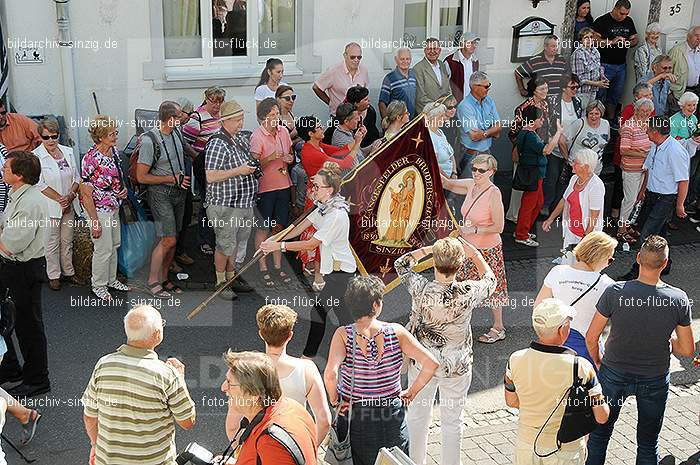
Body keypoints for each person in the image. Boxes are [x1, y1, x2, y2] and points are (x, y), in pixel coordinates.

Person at [585, 235, 695, 465]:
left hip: (613, 372)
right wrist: (668, 338)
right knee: (647, 442)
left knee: (599, 436)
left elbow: (591, 337)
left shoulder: (615, 291)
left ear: (638, 259)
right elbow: (687, 349)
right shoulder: (678, 299)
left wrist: (598, 362)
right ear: (665, 264)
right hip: (654, 377)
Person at [395, 237, 494, 465]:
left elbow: (401, 264)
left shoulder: (420, 287)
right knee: (453, 421)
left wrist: (431, 250)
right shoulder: (468, 291)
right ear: (460, 265)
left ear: (434, 263)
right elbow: (491, 280)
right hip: (457, 364)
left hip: (423, 363)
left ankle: (414, 462)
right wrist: (476, 255)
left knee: (417, 419)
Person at [323, 275, 438, 465]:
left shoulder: (343, 335)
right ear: (376, 305)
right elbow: (431, 363)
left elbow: (330, 374)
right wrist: (411, 391)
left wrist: (335, 399)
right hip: (391, 411)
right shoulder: (396, 331)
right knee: (394, 460)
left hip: (358, 414)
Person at [261, 162, 357, 358]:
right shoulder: (323, 208)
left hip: (341, 272)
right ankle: (359, 351)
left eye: (317, 186)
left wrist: (278, 246)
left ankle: (308, 357)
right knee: (343, 315)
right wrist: (275, 238)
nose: (312, 190)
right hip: (334, 270)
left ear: (329, 190)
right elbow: (299, 227)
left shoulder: (336, 215)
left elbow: (310, 244)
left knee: (318, 313)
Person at [82, 305, 196, 465]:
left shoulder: (103, 364)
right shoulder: (166, 374)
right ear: (157, 334)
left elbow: (89, 416)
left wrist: (95, 444)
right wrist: (180, 379)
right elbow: (187, 422)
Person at [504, 298, 609, 464]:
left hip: (526, 447)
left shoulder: (515, 359)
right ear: (563, 329)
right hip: (565, 451)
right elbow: (602, 416)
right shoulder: (580, 367)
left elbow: (511, 401)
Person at [441, 154, 509, 343]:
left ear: (491, 172)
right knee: (461, 284)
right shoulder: (471, 184)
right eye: (474, 169)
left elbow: (499, 227)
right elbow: (446, 183)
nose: (477, 173)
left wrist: (474, 229)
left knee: (493, 288)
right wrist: (430, 159)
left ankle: (498, 327)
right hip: (467, 247)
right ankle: (458, 324)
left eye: (482, 170)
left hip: (488, 249)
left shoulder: (494, 193)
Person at [618, 116, 695, 280]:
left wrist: (680, 205)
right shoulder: (655, 145)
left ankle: (636, 271)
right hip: (652, 195)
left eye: (648, 128)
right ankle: (666, 265)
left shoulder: (675, 151)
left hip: (666, 198)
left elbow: (683, 180)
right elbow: (649, 169)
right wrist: (643, 190)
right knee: (660, 233)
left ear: (654, 132)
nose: (645, 130)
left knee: (646, 235)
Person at [0, 151, 50, 398]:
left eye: (6, 168)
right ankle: (10, 369)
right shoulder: (17, 194)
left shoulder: (30, 202)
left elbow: (11, 243)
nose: (2, 170)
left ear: (19, 175)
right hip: (12, 266)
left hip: (23, 268)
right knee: (7, 320)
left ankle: (37, 380)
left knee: (28, 326)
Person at [296, 117, 362, 291]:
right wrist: (358, 143)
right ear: (311, 134)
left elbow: (340, 150)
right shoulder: (312, 152)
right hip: (319, 196)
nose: (322, 128)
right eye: (318, 127)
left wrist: (356, 141)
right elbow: (345, 163)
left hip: (324, 194)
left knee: (325, 236)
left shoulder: (317, 146)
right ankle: (318, 274)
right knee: (321, 236)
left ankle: (322, 271)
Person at [219, 351, 318, 465]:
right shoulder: (293, 407)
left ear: (254, 395)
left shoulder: (270, 441)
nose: (223, 387)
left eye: (229, 383)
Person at [251, 304, 332, 442]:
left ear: (261, 334)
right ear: (290, 335)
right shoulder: (307, 369)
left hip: (258, 442)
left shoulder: (247, 369)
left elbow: (233, 424)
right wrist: (309, 449)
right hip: (295, 440)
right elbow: (324, 421)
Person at [535, 232, 616, 365]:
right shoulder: (607, 285)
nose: (608, 264)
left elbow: (538, 308)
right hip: (587, 348)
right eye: (610, 260)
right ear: (600, 257)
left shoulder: (557, 271)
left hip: (555, 341)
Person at [205, 100, 258, 301]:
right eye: (237, 120)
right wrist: (240, 171)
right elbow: (211, 175)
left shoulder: (239, 139)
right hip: (224, 204)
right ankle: (220, 282)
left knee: (234, 244)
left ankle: (230, 278)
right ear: (225, 121)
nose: (241, 123)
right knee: (224, 244)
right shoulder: (217, 142)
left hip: (243, 202)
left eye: (242, 118)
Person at [137, 101, 190, 298]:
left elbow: (185, 153)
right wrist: (171, 178)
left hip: (179, 191)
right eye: (180, 116)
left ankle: (164, 278)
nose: (184, 118)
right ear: (170, 119)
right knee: (168, 239)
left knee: (173, 239)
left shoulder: (176, 132)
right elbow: (141, 176)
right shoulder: (150, 140)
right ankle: (152, 281)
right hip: (160, 193)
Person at [81, 115, 130, 301]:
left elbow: (116, 180)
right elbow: (86, 194)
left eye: (116, 132)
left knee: (114, 245)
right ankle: (98, 285)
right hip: (99, 211)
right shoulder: (90, 159)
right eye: (112, 134)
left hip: (113, 206)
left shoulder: (114, 152)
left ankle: (111, 279)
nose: (116, 136)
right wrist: (94, 222)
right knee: (103, 249)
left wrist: (122, 191)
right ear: (100, 137)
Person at [251, 98, 294, 288]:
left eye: (277, 114)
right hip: (266, 188)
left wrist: (289, 158)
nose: (276, 118)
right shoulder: (257, 136)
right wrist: (270, 157)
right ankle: (262, 267)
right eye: (272, 115)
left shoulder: (284, 131)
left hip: (283, 184)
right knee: (263, 228)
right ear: (263, 118)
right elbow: (253, 166)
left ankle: (277, 266)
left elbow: (291, 156)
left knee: (279, 226)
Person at [34, 118, 80, 290]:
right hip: (50, 206)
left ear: (59, 135)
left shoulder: (68, 151)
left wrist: (70, 195)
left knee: (67, 240)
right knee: (51, 242)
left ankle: (69, 272)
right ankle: (53, 275)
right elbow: (39, 184)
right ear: (40, 137)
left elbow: (77, 177)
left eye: (54, 136)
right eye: (46, 137)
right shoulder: (36, 156)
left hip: (69, 203)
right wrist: (60, 198)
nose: (51, 140)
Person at [183, 86, 226, 257]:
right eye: (213, 101)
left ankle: (218, 238)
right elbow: (185, 143)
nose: (216, 105)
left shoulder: (221, 115)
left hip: (222, 167)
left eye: (219, 102)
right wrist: (199, 159)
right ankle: (204, 240)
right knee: (207, 203)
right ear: (206, 99)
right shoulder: (197, 117)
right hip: (205, 167)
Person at [543, 149, 605, 262]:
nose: (572, 164)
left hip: (585, 234)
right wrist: (550, 219)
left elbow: (594, 216)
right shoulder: (574, 179)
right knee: (567, 264)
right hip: (571, 231)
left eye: (575, 162)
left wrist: (586, 238)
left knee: (583, 269)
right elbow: (564, 200)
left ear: (586, 167)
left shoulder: (596, 186)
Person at [514, 106, 563, 247]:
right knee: (528, 205)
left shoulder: (529, 133)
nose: (542, 120)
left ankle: (523, 230)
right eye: (540, 118)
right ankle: (521, 235)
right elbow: (547, 150)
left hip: (536, 174)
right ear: (532, 120)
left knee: (538, 203)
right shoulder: (529, 135)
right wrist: (558, 132)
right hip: (533, 174)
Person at [592, 0, 639, 121]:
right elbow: (594, 40)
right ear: (615, 8)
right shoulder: (602, 21)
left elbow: (635, 39)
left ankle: (611, 120)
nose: (624, 16)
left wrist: (628, 43)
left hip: (621, 65)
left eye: (626, 14)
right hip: (604, 64)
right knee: (600, 95)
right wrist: (612, 42)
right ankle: (597, 121)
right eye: (621, 13)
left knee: (615, 96)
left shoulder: (628, 21)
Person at [617, 98, 654, 242]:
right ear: (636, 110)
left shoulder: (649, 125)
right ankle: (621, 230)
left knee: (638, 198)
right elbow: (623, 150)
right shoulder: (629, 126)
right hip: (631, 169)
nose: (644, 114)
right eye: (641, 111)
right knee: (629, 199)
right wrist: (643, 153)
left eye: (647, 111)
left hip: (644, 168)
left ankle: (627, 225)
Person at [546, 73, 584, 211]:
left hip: (572, 147)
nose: (575, 90)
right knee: (552, 177)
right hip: (556, 147)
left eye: (577, 87)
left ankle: (558, 205)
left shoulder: (577, 102)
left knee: (565, 180)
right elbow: (549, 124)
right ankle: (546, 204)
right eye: (572, 87)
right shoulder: (553, 101)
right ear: (563, 88)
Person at [456, 71, 501, 178]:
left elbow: (498, 128)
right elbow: (475, 136)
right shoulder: (465, 106)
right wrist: (491, 131)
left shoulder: (489, 101)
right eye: (486, 86)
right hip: (471, 154)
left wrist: (484, 133)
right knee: (472, 189)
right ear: (474, 87)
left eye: (489, 85)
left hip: (487, 152)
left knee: (488, 188)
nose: (488, 88)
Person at [172, 97, 198, 271]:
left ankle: (180, 251)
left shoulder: (179, 129)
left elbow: (185, 146)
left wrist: (199, 157)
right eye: (188, 115)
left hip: (184, 180)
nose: (189, 119)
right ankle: (171, 258)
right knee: (174, 221)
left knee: (186, 215)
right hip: (173, 184)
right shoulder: (168, 129)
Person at [313, 42, 369, 117]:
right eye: (352, 57)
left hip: (358, 117)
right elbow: (316, 87)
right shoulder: (333, 71)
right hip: (339, 117)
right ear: (345, 56)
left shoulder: (364, 71)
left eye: (359, 57)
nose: (356, 60)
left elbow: (365, 93)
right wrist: (330, 102)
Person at [670, 92, 700, 217]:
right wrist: (690, 141)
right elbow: (671, 141)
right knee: (677, 183)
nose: (692, 108)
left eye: (694, 105)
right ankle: (669, 215)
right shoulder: (674, 120)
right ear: (682, 105)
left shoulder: (694, 118)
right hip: (678, 157)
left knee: (689, 178)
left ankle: (681, 206)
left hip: (692, 155)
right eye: (689, 105)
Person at [562, 100, 610, 176]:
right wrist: (568, 159)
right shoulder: (579, 123)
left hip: (595, 169)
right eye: (591, 113)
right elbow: (562, 140)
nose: (594, 117)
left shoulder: (605, 124)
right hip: (578, 168)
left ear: (601, 114)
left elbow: (605, 141)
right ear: (587, 113)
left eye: (597, 114)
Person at [571, 27, 609, 109]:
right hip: (582, 91)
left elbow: (599, 67)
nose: (589, 40)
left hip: (593, 90)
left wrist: (602, 77)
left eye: (591, 37)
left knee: (590, 112)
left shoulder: (595, 51)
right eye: (586, 37)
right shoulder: (578, 53)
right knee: (582, 112)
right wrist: (597, 84)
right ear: (581, 40)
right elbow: (578, 78)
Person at [413, 37, 453, 114]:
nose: (432, 51)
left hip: (444, 113)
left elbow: (448, 89)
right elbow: (420, 97)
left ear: (439, 50)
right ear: (424, 51)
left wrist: (450, 104)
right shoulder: (418, 69)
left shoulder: (442, 65)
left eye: (435, 48)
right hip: (427, 114)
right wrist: (439, 107)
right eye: (429, 49)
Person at [667, 26, 700, 109]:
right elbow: (666, 72)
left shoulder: (699, 51)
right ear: (688, 37)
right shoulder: (677, 51)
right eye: (696, 35)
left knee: (692, 118)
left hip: (696, 91)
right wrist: (669, 92)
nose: (699, 38)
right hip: (680, 93)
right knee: (678, 118)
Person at [379, 48, 417, 119]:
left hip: (411, 121)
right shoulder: (389, 78)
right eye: (402, 59)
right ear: (396, 60)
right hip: (396, 122)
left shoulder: (414, 76)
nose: (405, 61)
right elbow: (382, 103)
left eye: (407, 59)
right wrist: (386, 123)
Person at [444, 32, 480, 103]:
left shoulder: (475, 61)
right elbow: (444, 86)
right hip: (455, 106)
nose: (473, 46)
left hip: (471, 103)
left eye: (475, 43)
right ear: (462, 44)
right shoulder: (450, 62)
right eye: (470, 43)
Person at [426, 103, 456, 178]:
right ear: (433, 117)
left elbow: (451, 154)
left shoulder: (440, 131)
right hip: (442, 179)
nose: (445, 118)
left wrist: (454, 172)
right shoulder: (429, 136)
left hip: (451, 175)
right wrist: (450, 180)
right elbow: (435, 165)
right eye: (441, 116)